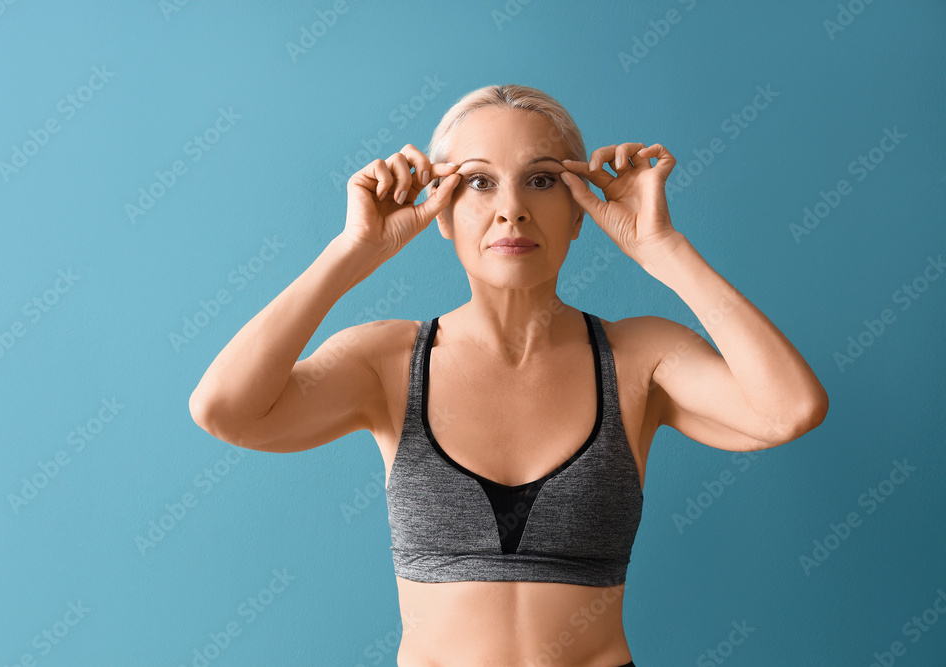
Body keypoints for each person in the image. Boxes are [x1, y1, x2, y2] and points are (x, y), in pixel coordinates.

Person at [188, 84, 829, 666]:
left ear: (582, 210)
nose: (512, 210)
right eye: (478, 182)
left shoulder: (641, 357)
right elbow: (225, 410)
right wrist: (354, 251)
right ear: (439, 209)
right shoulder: (385, 362)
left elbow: (789, 409)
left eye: (543, 180)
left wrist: (663, 248)